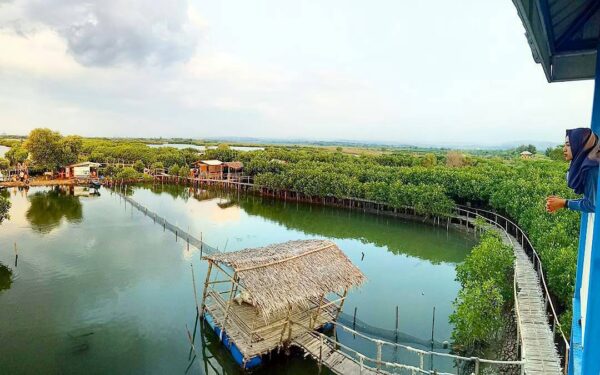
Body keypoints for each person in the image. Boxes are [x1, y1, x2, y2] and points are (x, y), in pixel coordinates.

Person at [547, 128, 599, 213]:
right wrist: (562, 202)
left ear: (580, 145)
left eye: (568, 145)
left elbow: (593, 205)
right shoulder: (586, 164)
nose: (564, 149)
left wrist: (564, 203)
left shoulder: (591, 168)